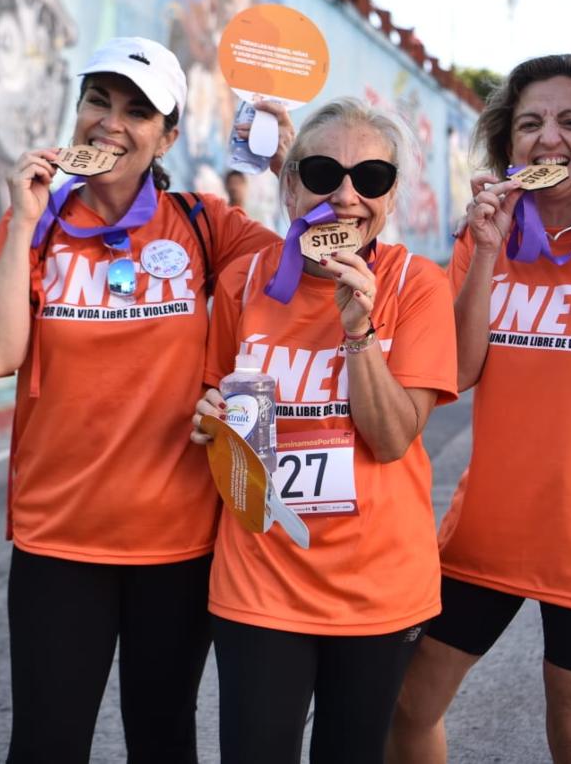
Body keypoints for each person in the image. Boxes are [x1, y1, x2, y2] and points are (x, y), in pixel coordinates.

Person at [0, 36, 290, 763]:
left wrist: (284, 162)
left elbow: (299, 262)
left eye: (138, 111)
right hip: (59, 540)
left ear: (167, 136)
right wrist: (22, 221)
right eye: (98, 101)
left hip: (175, 543)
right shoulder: (37, 227)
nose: (111, 122)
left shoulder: (204, 225)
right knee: (46, 746)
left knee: (163, 741)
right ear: (75, 111)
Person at [387, 54, 571, 764]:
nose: (550, 138)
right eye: (531, 124)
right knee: (407, 704)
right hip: (493, 526)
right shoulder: (482, 240)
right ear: (509, 147)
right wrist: (485, 253)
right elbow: (456, 370)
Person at [191, 97, 458, 764]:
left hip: (377, 590)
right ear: (288, 185)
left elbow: (394, 438)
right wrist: (208, 420)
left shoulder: (415, 286)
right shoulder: (242, 282)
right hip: (260, 580)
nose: (345, 196)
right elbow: (212, 404)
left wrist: (358, 330)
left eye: (370, 179)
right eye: (321, 172)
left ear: (390, 199)